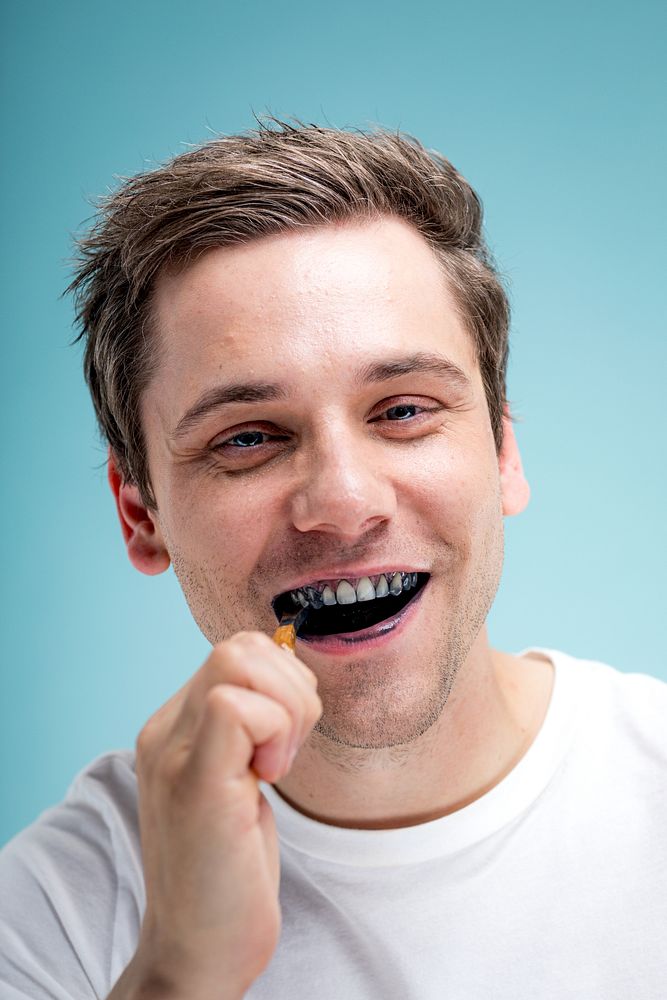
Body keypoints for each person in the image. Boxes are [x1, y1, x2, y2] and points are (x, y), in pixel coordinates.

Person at [1, 120, 665, 1000]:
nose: (345, 504)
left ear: (503, 451)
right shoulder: (48, 917)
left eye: (401, 411)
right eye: (247, 438)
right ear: (141, 514)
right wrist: (178, 971)